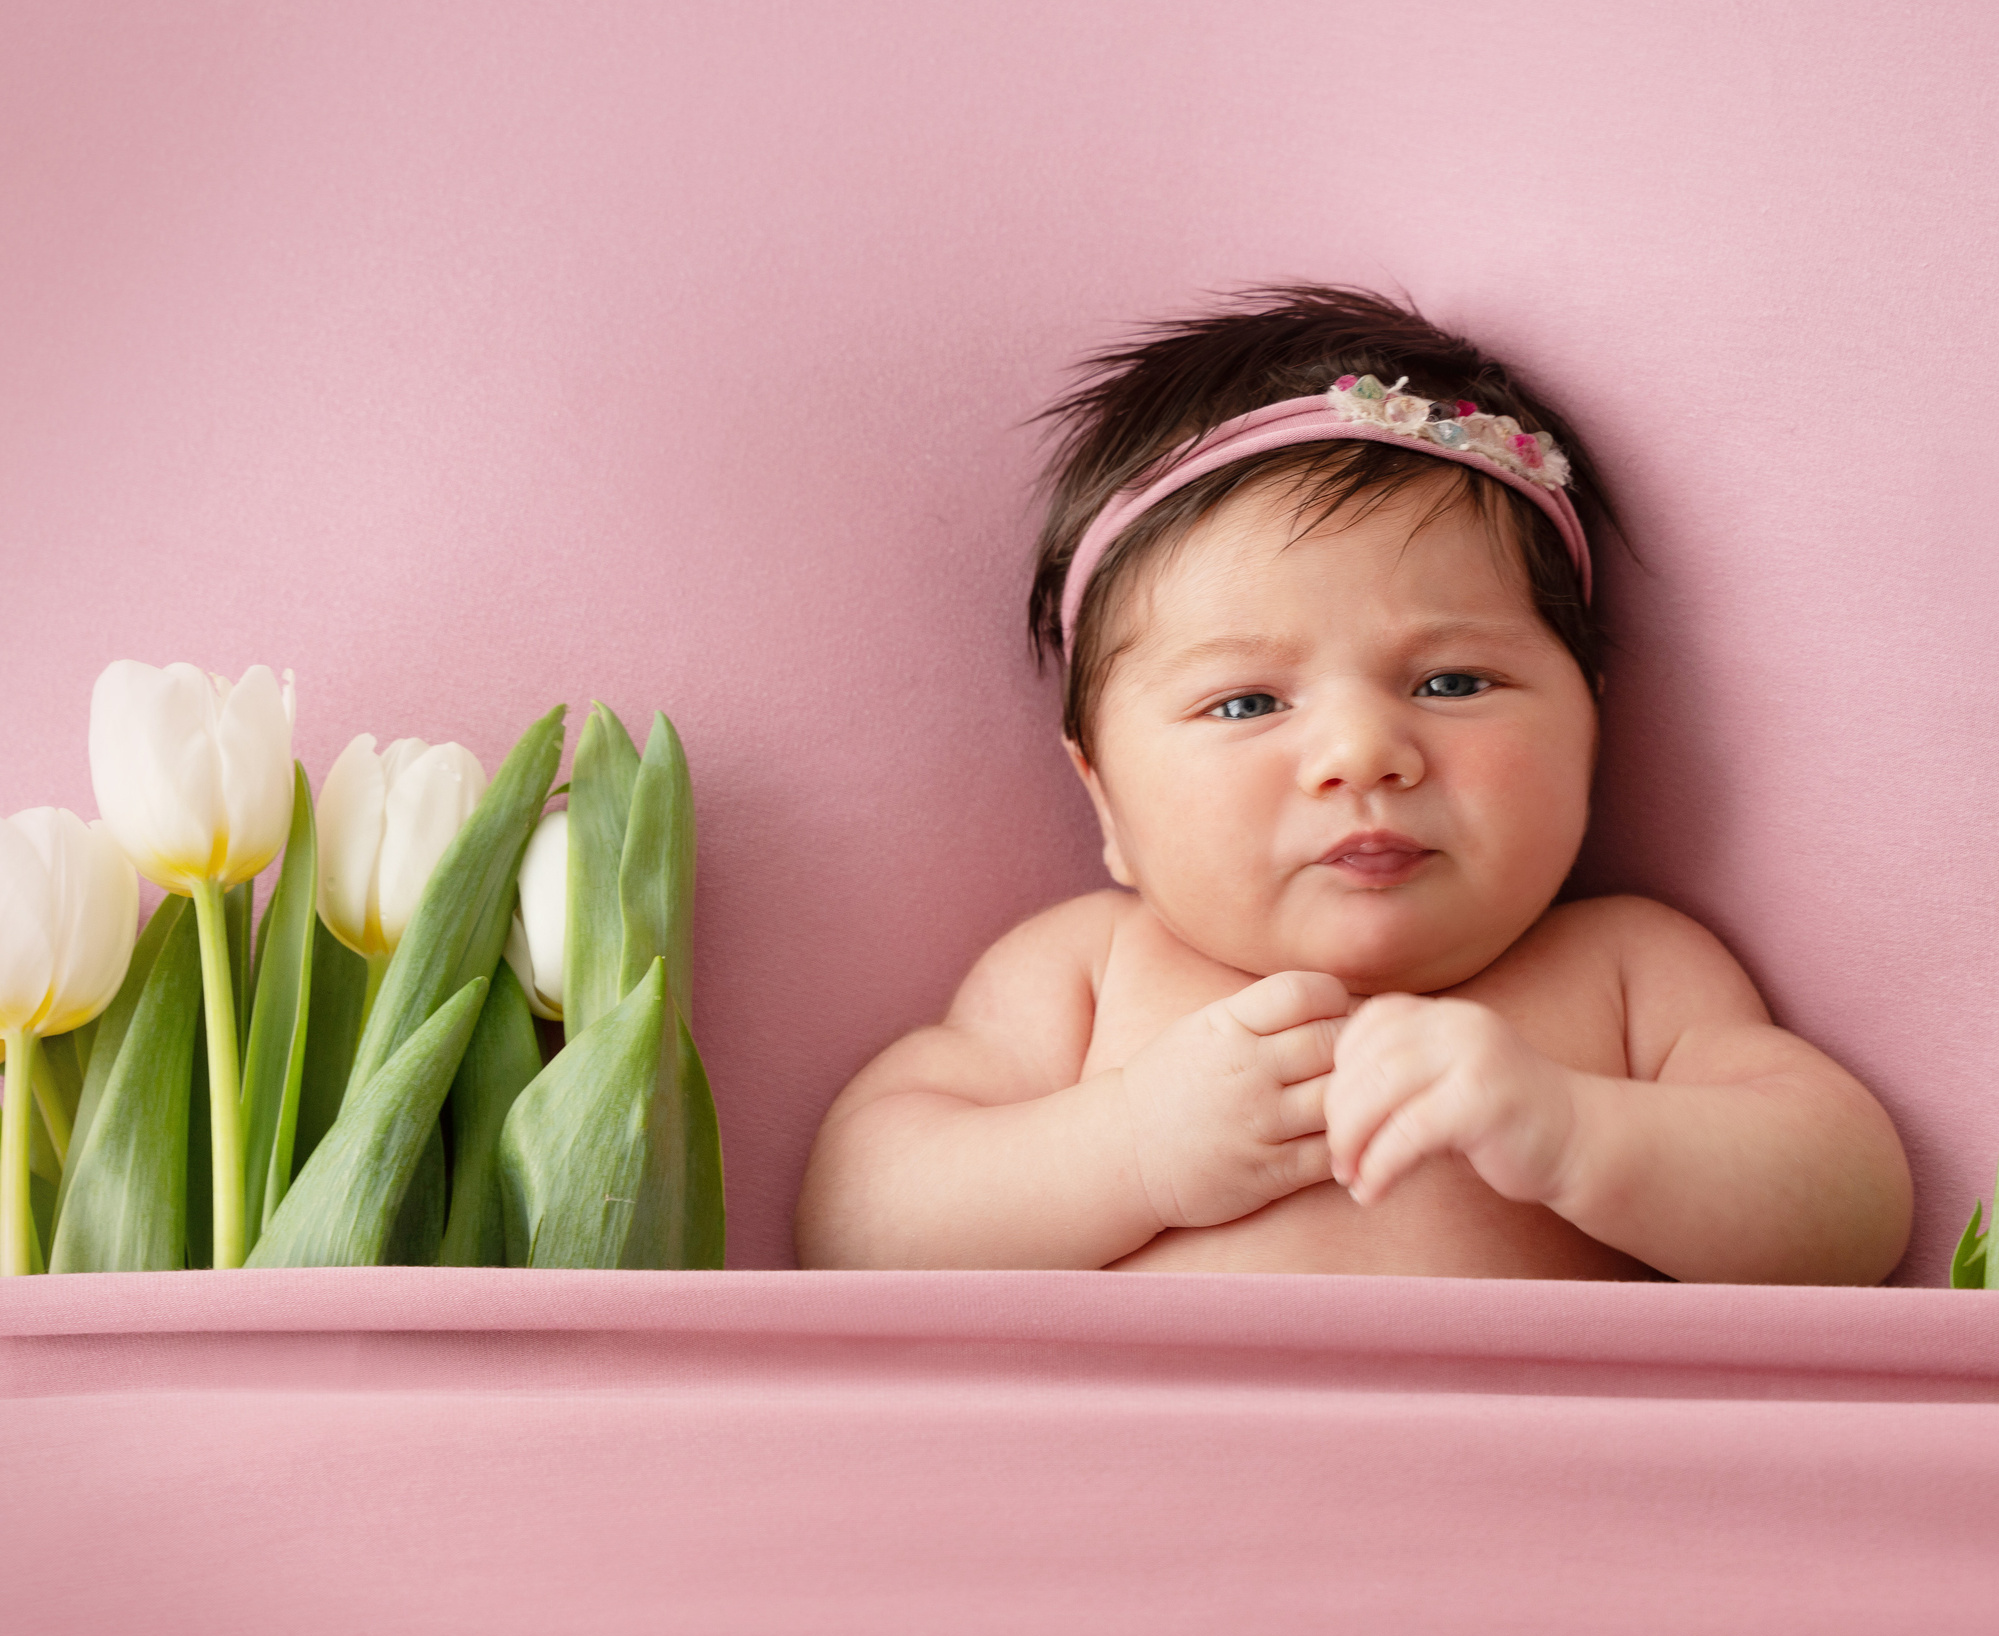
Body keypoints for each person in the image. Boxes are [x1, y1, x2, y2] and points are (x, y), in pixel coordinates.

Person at [797, 285, 1910, 1281]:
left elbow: (1854, 1214)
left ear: (1591, 730)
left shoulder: (1631, 973)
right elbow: (857, 1222)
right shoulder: (1085, 975)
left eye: (1452, 681)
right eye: (1247, 703)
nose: (1361, 754)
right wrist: (1130, 1148)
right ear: (1104, 800)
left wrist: (1582, 1135)